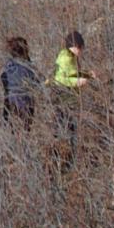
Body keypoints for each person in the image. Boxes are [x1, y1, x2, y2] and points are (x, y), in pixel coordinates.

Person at [50, 31, 91, 164]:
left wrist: (88, 74)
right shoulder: (66, 59)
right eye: (79, 47)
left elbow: (73, 73)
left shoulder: (70, 56)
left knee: (68, 124)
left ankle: (68, 150)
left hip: (67, 97)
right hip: (63, 96)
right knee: (66, 124)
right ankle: (64, 154)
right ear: (73, 46)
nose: (81, 50)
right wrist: (77, 82)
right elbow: (60, 79)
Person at [0, 36, 41, 128]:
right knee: (24, 129)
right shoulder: (27, 68)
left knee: (12, 129)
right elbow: (38, 84)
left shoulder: (8, 66)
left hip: (9, 103)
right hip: (25, 104)